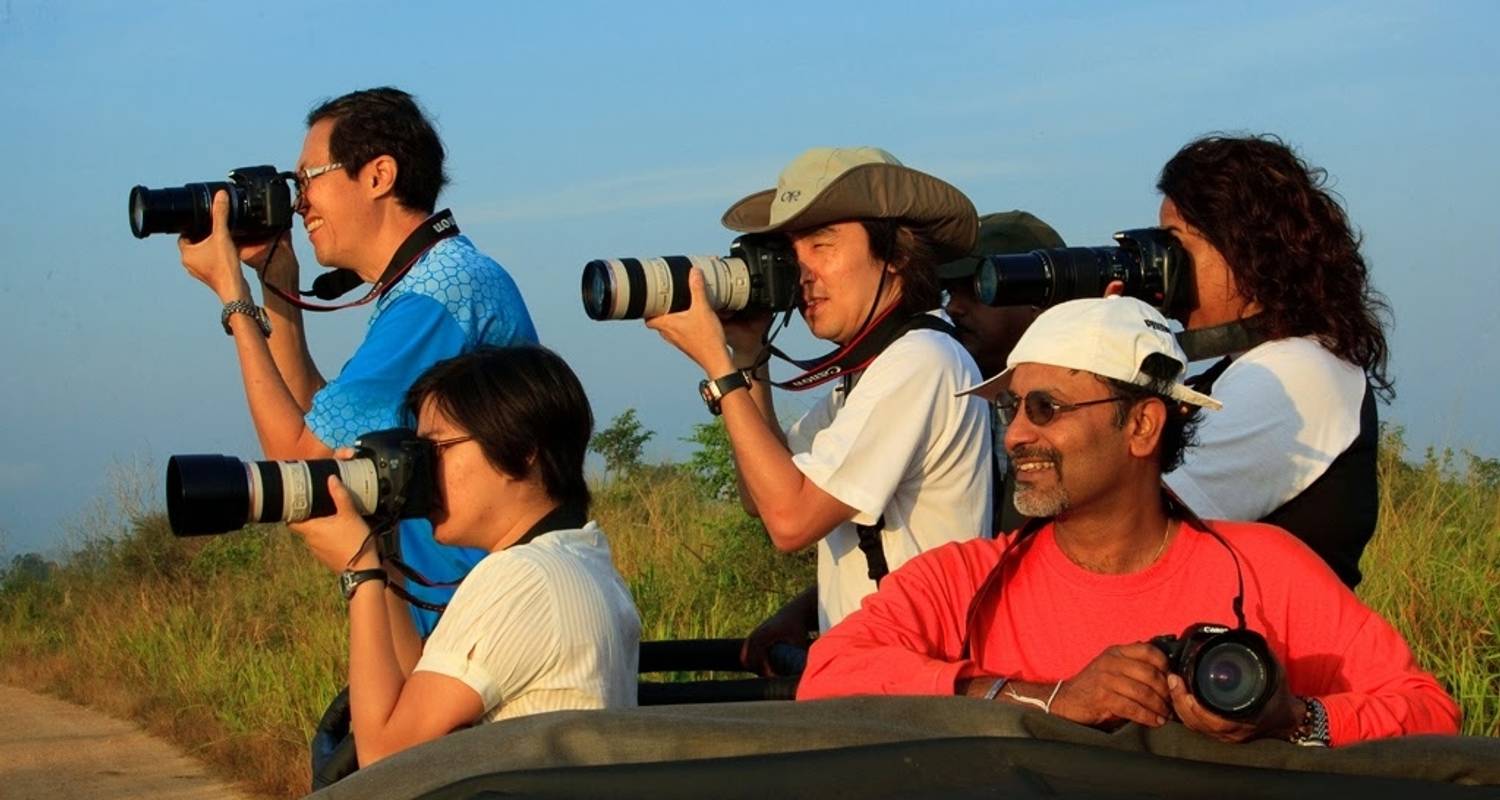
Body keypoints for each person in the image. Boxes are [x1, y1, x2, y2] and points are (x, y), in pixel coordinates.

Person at [797, 297, 1461, 747]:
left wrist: (1290, 718)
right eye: (1014, 408)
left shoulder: (1265, 568)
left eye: (1046, 407)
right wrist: (1042, 700)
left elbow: (1429, 711)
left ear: (1142, 425)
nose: (1016, 435)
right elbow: (828, 681)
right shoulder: (962, 579)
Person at [176, 87, 538, 630]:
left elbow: (299, 459)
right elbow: (321, 418)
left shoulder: (437, 297)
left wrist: (233, 296)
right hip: (461, 608)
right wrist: (277, 281)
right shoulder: (436, 280)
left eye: (307, 179)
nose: (298, 204)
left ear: (378, 176)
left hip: (481, 618)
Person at [645, 147, 992, 671]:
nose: (802, 273)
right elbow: (763, 496)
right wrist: (747, 355)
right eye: (793, 253)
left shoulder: (921, 360)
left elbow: (791, 521)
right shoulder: (866, 373)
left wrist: (717, 363)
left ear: (896, 253)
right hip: (877, 678)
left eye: (822, 246)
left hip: (919, 693)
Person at [293, 346, 641, 767]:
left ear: (522, 447)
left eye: (437, 449)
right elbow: (413, 693)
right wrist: (381, 551)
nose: (423, 472)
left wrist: (359, 575)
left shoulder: (523, 579)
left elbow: (384, 764)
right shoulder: (576, 557)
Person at [1154, 134, 1390, 588]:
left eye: (1176, 246)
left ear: (1246, 249)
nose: (1167, 272)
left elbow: (1135, 533)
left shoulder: (1298, 370)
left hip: (1282, 654)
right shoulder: (1249, 367)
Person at [939, 210, 1066, 534]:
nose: (954, 307)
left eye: (980, 288)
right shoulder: (955, 397)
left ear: (1041, 298)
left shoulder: (1081, 407)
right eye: (950, 291)